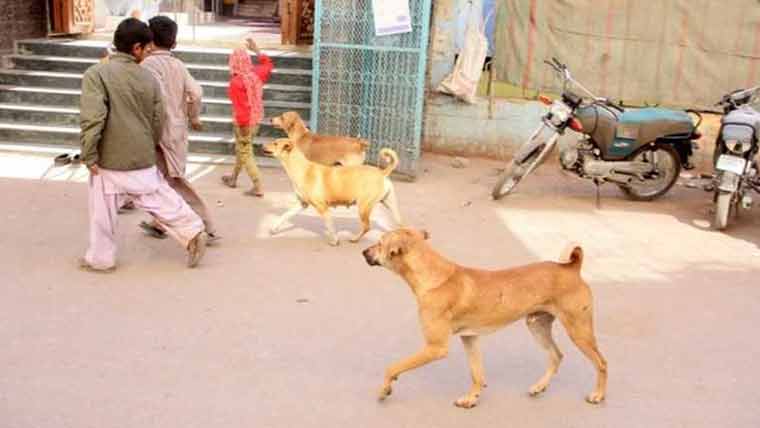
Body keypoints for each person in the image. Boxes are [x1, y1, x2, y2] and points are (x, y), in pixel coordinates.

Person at [79, 18, 208, 272]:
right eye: (147, 49)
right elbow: (158, 120)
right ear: (136, 48)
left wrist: (89, 154)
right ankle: (192, 229)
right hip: (141, 154)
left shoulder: (96, 74)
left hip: (108, 157)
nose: (148, 53)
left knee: (102, 211)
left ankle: (101, 258)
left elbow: (93, 118)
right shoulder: (148, 78)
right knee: (156, 196)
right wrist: (147, 145)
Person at [138, 15, 219, 242]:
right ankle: (161, 223)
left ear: (149, 41)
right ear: (173, 42)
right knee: (163, 178)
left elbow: (157, 100)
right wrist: (193, 117)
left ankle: (205, 225)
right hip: (178, 129)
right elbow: (197, 93)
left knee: (173, 180)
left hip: (159, 131)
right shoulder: (178, 65)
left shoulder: (147, 65)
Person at [221, 35, 273, 197]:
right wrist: (256, 49)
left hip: (244, 122)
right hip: (256, 119)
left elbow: (241, 108)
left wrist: (242, 126)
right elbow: (268, 64)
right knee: (242, 149)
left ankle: (258, 186)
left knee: (245, 152)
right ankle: (233, 178)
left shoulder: (236, 82)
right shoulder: (257, 74)